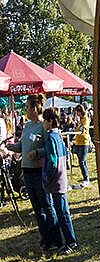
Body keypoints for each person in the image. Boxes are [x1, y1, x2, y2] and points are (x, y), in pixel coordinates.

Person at [8, 95, 60, 253]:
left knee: (47, 206)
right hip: (28, 173)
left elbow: (51, 149)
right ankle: (45, 239)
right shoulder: (27, 126)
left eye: (27, 107)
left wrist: (37, 152)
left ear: (35, 108)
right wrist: (11, 148)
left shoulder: (43, 127)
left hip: (39, 172)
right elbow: (22, 146)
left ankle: (55, 240)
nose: (25, 110)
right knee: (37, 209)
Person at [70, 104, 90, 187]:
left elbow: (83, 128)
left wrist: (80, 127)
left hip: (84, 142)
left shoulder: (85, 118)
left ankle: (86, 178)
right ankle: (85, 178)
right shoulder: (80, 119)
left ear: (79, 111)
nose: (76, 114)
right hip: (78, 142)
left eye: (77, 112)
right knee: (81, 161)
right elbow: (77, 129)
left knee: (82, 161)